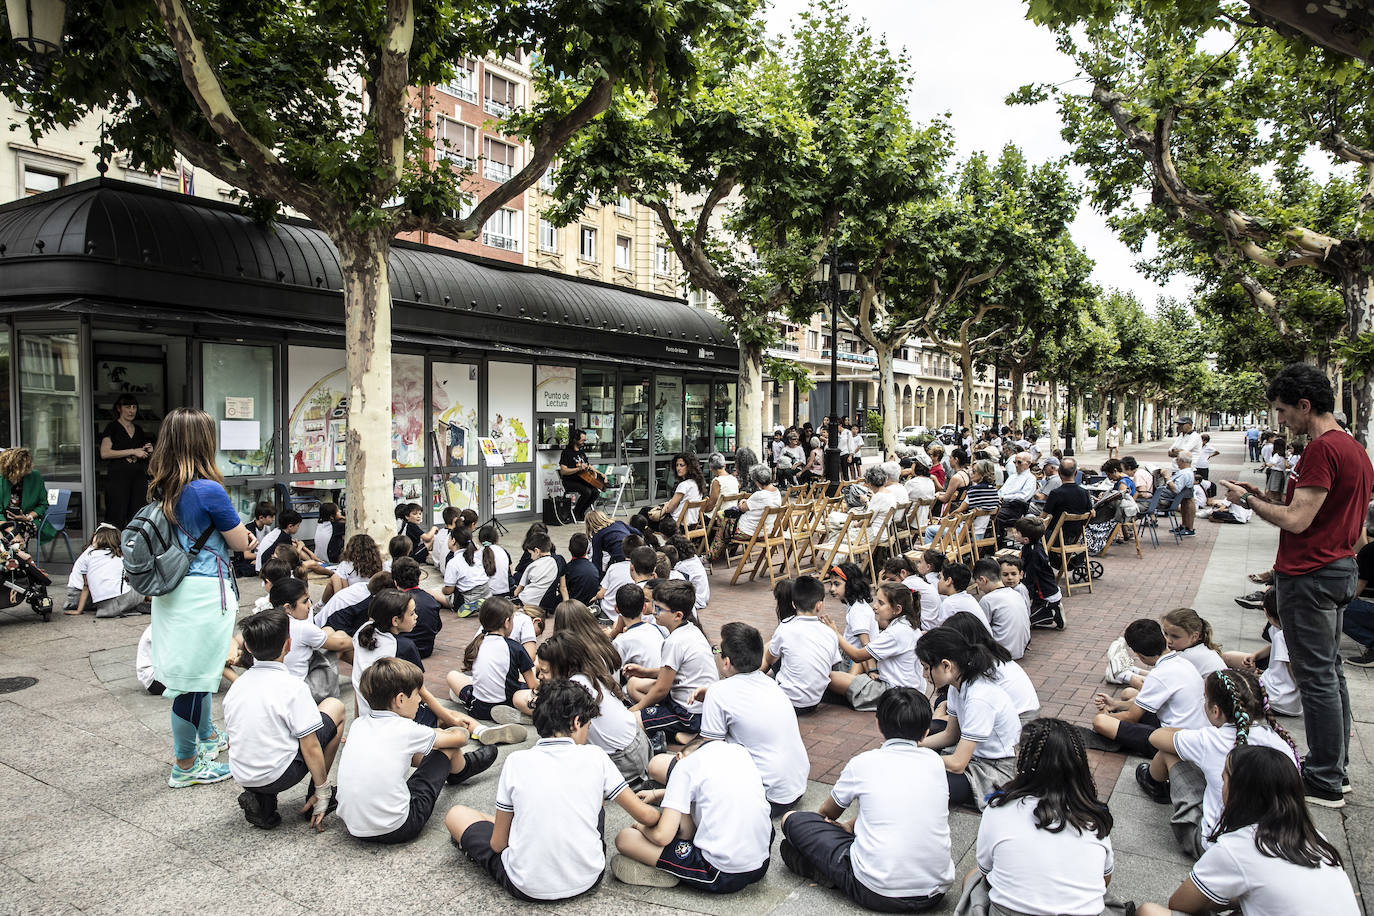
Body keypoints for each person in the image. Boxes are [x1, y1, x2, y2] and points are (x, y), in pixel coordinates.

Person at [1219, 362, 1373, 807]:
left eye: (1285, 411)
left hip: (1311, 574)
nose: (1281, 420)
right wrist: (1266, 496)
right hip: (1338, 567)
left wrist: (1248, 500)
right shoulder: (1354, 449)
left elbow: (1299, 521)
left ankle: (1324, 777)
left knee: (1317, 677)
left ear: (1306, 406)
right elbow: (1336, 517)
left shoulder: (1321, 451)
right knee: (1330, 673)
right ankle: (1334, 768)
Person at [445, 679, 664, 902]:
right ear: (577, 722)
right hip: (588, 876)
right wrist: (665, 809)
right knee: (592, 795)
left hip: (526, 886)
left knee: (457, 814)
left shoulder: (516, 761)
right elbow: (645, 815)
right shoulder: (596, 756)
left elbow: (498, 844)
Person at [145, 408, 254, 788]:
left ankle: (206, 736)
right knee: (192, 683)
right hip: (205, 592)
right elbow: (241, 541)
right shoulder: (208, 489)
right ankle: (186, 765)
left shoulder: (162, 487)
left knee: (199, 674)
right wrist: (247, 540)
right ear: (203, 442)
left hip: (173, 591)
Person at [779, 687, 953, 912]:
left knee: (791, 820)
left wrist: (840, 827)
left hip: (874, 890)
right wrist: (852, 826)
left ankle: (829, 872)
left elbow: (827, 813)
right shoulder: (935, 763)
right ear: (926, 732)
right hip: (934, 893)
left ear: (878, 724)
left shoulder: (863, 763)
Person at [1136, 746, 1359, 916]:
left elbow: (1180, 904)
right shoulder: (1316, 838)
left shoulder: (1237, 846)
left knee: (1149, 911)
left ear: (1239, 793)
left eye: (1224, 778)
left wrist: (1224, 894)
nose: (1221, 785)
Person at [955, 718, 1115, 916]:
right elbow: (1104, 879)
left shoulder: (998, 809)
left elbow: (987, 871)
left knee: (972, 878)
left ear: (1025, 762)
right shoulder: (1094, 815)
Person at [336, 657, 497, 843]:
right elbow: (460, 738)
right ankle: (461, 769)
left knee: (410, 752)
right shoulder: (406, 729)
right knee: (445, 748)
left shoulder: (358, 724)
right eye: (417, 694)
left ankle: (456, 769)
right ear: (401, 699)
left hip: (354, 827)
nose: (420, 699)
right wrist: (440, 731)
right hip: (399, 827)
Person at [1143, 669, 1299, 857]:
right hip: (1276, 841)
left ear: (1215, 711)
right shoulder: (1281, 742)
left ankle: (1153, 783)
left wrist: (1194, 730)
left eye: (1204, 699)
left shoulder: (1209, 739)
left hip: (1215, 844)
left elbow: (1156, 737)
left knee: (1170, 751)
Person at [224, 608, 346, 829]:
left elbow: (233, 739)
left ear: (248, 647)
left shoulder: (237, 686)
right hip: (281, 775)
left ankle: (262, 801)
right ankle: (316, 795)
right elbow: (310, 747)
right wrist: (323, 791)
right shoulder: (293, 687)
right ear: (288, 645)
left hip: (242, 774)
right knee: (335, 707)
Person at [611, 735, 773, 893]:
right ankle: (673, 864)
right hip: (761, 863)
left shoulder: (683, 766)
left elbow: (662, 836)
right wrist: (662, 793)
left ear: (678, 756)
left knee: (625, 838)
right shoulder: (736, 751)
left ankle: (669, 872)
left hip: (722, 873)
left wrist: (640, 827)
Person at [682, 621, 809, 815]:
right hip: (795, 789)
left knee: (665, 765)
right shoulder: (771, 684)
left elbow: (710, 754)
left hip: (763, 796)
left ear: (726, 662)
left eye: (718, 651)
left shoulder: (719, 692)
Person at [917, 627, 1022, 810]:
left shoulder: (979, 697)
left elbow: (958, 764)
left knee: (925, 782)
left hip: (997, 771)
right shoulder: (958, 685)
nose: (924, 674)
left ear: (946, 665)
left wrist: (913, 758)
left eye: (926, 668)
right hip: (976, 759)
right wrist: (912, 745)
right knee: (929, 733)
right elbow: (950, 735)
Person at [538, 631, 652, 784]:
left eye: (544, 671)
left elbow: (569, 745)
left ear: (561, 667)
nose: (540, 676)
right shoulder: (588, 672)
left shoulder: (573, 691)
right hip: (640, 742)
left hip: (626, 760)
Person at [1092, 618, 1208, 757]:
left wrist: (1105, 715)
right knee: (1129, 694)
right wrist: (1115, 705)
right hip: (1193, 730)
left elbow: (1131, 717)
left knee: (1100, 722)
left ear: (1139, 655)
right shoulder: (1182, 661)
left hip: (1174, 741)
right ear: (1164, 639)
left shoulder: (1158, 675)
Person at [625, 580, 716, 746]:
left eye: (659, 608)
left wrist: (636, 709)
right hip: (693, 703)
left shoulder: (674, 641)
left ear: (678, 615)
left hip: (689, 713)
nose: (654, 611)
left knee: (630, 721)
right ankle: (666, 724)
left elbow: (661, 689)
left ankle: (684, 729)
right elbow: (672, 673)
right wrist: (645, 672)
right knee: (633, 684)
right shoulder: (690, 629)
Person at [827, 582, 926, 708]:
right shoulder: (906, 624)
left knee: (831, 677)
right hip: (908, 687)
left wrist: (836, 634)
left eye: (881, 603)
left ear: (897, 609)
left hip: (896, 692)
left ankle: (851, 692)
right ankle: (852, 688)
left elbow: (857, 656)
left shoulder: (896, 632)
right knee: (860, 660)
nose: (875, 606)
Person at [447, 597, 539, 724]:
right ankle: (522, 715)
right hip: (507, 703)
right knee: (528, 693)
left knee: (452, 676)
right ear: (507, 622)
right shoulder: (514, 647)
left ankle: (462, 696)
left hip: (477, 709)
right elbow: (533, 685)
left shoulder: (477, 644)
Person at [765, 576, 841, 712]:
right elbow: (833, 666)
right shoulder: (830, 632)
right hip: (814, 702)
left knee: (773, 653)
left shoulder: (784, 628)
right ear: (819, 605)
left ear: (793, 604)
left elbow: (770, 659)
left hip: (787, 702)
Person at [99, 394, 155, 530]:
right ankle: (113, 546)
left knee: (137, 514)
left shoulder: (139, 430)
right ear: (119, 408)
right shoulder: (112, 427)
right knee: (116, 515)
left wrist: (148, 450)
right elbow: (105, 453)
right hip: (118, 480)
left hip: (137, 479)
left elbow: (141, 452)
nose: (131, 411)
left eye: (134, 407)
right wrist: (132, 451)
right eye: (127, 407)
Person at [66, 523, 144, 618]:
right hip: (110, 600)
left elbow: (86, 586)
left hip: (77, 598)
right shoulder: (118, 556)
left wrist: (79, 610)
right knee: (139, 586)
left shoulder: (89, 554)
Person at [972, 558, 1030, 660]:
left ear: (983, 579)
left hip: (1000, 654)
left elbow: (980, 630)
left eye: (978, 583)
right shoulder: (1016, 594)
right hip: (1020, 650)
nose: (980, 588)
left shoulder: (988, 599)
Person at [0, 447, 54, 546]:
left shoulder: (35, 477)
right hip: (2, 520)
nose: (32, 466)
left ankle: (18, 559)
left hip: (26, 520)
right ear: (16, 468)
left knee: (20, 529)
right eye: (27, 465)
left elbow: (43, 504)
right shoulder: (2, 479)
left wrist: (27, 517)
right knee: (7, 535)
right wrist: (11, 532)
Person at [391, 557, 442, 658]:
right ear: (418, 579)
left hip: (401, 650)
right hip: (425, 649)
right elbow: (438, 626)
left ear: (395, 582)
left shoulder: (395, 602)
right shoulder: (430, 599)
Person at [1042, 457, 1092, 543]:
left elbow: (1043, 517)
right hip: (1075, 537)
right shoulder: (1085, 493)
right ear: (1076, 473)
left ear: (1059, 472)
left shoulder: (1056, 493)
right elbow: (1092, 513)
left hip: (1055, 537)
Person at [650, 452, 706, 527]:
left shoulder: (684, 485)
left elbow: (669, 509)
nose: (678, 468)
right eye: (677, 465)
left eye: (681, 465)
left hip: (676, 524)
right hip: (692, 523)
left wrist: (666, 505)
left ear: (689, 467)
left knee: (644, 513)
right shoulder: (698, 484)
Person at [558, 428, 602, 521]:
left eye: (585, 440)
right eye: (582, 440)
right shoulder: (566, 453)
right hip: (569, 481)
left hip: (582, 480)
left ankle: (581, 512)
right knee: (587, 491)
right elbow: (563, 471)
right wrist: (578, 469)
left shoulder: (581, 452)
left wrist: (600, 473)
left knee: (595, 492)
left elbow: (589, 466)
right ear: (575, 440)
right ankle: (576, 513)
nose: (584, 442)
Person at [585, 509, 638, 574]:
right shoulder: (619, 523)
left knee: (609, 572)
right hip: (636, 549)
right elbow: (637, 532)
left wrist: (597, 576)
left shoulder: (597, 536)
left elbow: (597, 559)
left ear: (589, 525)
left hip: (619, 555)